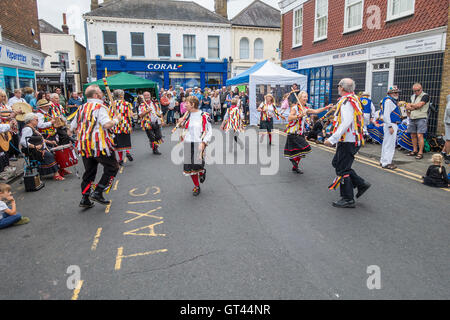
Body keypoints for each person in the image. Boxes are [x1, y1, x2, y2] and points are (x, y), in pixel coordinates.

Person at [70, 85, 120, 207]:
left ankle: (85, 198)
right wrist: (116, 119)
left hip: (84, 146)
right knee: (113, 167)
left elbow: (70, 129)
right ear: (96, 95)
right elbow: (107, 125)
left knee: (89, 171)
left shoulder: (81, 108)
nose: (102, 93)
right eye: (100, 92)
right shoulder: (100, 107)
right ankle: (98, 191)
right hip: (100, 146)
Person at [324, 78, 371, 208]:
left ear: (342, 88)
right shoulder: (354, 99)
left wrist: (332, 139)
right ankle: (361, 184)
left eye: (338, 86)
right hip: (351, 139)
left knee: (343, 169)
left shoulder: (347, 101)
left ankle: (348, 198)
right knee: (337, 163)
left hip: (348, 140)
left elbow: (346, 121)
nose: (338, 88)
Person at [284, 91, 331, 173]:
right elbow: (289, 118)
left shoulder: (305, 109)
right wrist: (299, 115)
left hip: (300, 133)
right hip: (293, 133)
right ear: (299, 98)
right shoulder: (295, 108)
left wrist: (326, 108)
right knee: (305, 149)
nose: (306, 98)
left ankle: (295, 166)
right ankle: (294, 162)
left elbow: (316, 111)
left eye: (306, 96)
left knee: (301, 151)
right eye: (304, 97)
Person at [178, 96, 212, 196]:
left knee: (198, 165)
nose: (185, 105)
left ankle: (202, 172)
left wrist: (204, 142)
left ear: (193, 104)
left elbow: (209, 131)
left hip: (199, 143)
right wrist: (180, 123)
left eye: (187, 103)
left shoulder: (204, 115)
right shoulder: (187, 115)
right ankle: (197, 186)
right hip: (188, 142)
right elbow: (185, 126)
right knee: (189, 167)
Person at [20, 112, 65, 180]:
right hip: (34, 151)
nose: (38, 121)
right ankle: (56, 174)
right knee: (49, 155)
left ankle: (61, 170)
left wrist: (50, 141)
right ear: (31, 120)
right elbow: (23, 141)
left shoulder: (32, 128)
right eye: (36, 120)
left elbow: (40, 139)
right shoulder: (27, 129)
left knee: (56, 151)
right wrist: (34, 146)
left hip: (40, 148)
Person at [380, 86, 403, 170]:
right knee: (390, 145)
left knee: (387, 143)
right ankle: (387, 163)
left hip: (389, 124)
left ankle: (383, 161)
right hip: (391, 124)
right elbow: (386, 115)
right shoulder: (389, 101)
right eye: (395, 92)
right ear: (390, 93)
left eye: (397, 92)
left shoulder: (388, 100)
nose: (397, 94)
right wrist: (390, 126)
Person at [405, 83, 430, 160]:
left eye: (417, 90)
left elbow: (420, 105)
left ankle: (420, 152)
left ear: (421, 89)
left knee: (420, 135)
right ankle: (415, 150)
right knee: (413, 135)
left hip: (421, 117)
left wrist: (411, 106)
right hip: (412, 117)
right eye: (414, 91)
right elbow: (407, 107)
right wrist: (411, 107)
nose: (416, 92)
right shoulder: (412, 96)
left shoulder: (425, 96)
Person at [110, 89, 134, 166]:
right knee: (126, 140)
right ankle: (127, 152)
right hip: (125, 125)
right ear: (121, 95)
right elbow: (130, 115)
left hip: (116, 126)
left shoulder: (111, 104)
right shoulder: (127, 104)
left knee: (118, 143)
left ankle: (120, 159)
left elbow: (110, 115)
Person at [0, 89, 20, 161]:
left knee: (14, 139)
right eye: (1, 96)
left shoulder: (5, 105)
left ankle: (15, 153)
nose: (3, 98)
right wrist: (11, 117)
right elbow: (4, 117)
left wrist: (13, 118)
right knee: (5, 142)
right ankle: (10, 156)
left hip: (9, 126)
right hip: (4, 127)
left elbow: (10, 114)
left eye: (4, 96)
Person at [441, 94, 450, 164]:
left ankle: (443, 152)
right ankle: (447, 156)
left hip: (447, 120)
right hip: (449, 122)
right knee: (449, 139)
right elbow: (448, 109)